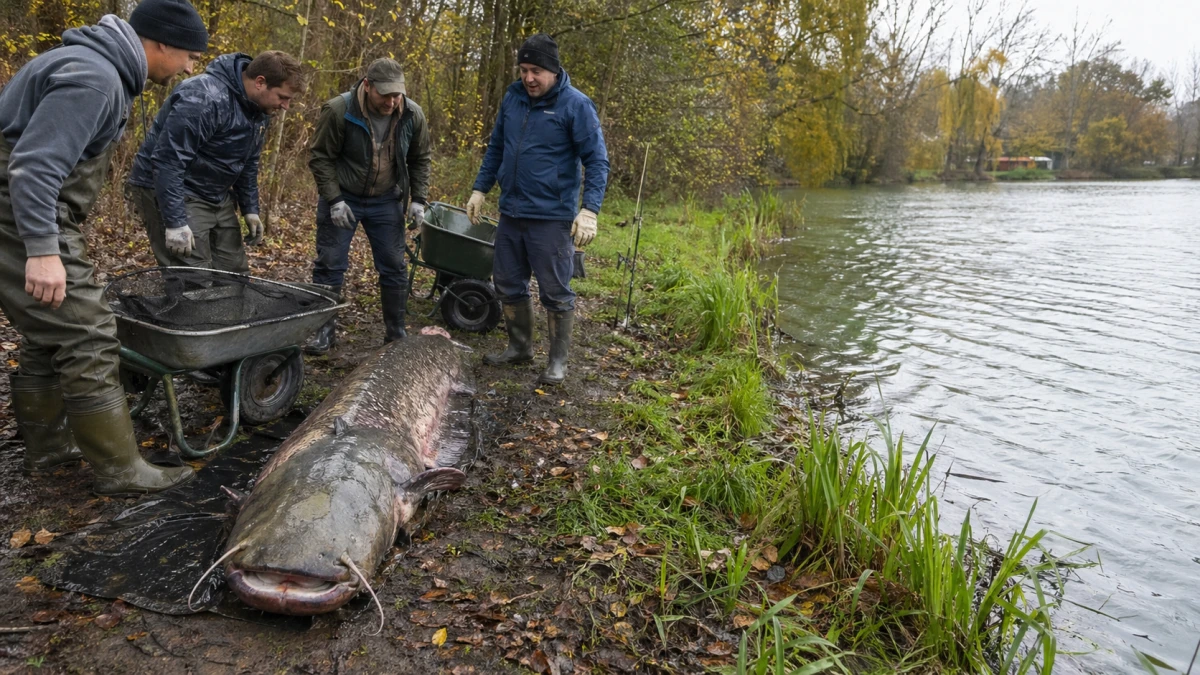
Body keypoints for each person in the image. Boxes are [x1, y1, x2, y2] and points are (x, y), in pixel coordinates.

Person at [0, 0, 206, 495]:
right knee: (89, 333)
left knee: (49, 327)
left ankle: (49, 449)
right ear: (160, 43)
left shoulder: (87, 63)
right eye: (189, 56)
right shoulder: (95, 79)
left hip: (32, 214)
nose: (191, 68)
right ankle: (122, 471)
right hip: (20, 214)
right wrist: (44, 249)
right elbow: (34, 168)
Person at [466, 33, 609, 385]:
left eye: (537, 71)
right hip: (512, 213)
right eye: (524, 69)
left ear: (555, 71)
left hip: (551, 217)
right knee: (508, 283)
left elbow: (597, 160)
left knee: (555, 291)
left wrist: (589, 209)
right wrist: (480, 188)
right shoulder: (513, 99)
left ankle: (557, 362)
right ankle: (520, 348)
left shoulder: (576, 106)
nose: (529, 78)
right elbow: (497, 146)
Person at [129, 50, 303, 272]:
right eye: (283, 97)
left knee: (234, 272)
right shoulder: (204, 98)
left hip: (214, 192)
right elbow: (168, 161)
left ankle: (226, 306)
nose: (285, 106)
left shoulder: (259, 110)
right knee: (193, 277)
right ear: (260, 82)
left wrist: (250, 208)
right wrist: (175, 223)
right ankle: (188, 304)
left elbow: (248, 162)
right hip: (169, 185)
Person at [304, 57, 431, 353]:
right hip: (343, 196)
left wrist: (419, 200)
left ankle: (395, 332)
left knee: (394, 265)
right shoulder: (339, 110)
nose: (391, 101)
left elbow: (420, 159)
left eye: (396, 94)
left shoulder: (413, 115)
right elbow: (320, 157)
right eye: (385, 94)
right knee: (330, 264)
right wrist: (334, 200)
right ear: (367, 86)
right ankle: (323, 332)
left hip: (387, 198)